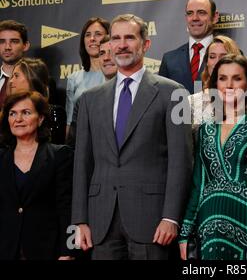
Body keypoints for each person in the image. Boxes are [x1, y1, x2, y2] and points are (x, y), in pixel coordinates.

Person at [71, 14, 192, 260]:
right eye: (116, 38)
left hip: (152, 220)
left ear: (145, 44)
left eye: (130, 37)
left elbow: (181, 162)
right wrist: (80, 219)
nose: (122, 44)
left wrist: (171, 217)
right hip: (101, 220)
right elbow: (82, 164)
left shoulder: (174, 93)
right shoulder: (89, 100)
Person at [178, 54, 247, 260]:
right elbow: (198, 184)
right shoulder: (205, 128)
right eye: (222, 78)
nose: (229, 85)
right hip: (207, 226)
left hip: (246, 222)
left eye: (237, 78)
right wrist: (185, 232)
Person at [0, 91, 74, 260]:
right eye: (13, 113)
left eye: (26, 113)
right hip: (5, 249)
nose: (18, 119)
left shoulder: (60, 155)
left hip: (47, 250)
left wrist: (69, 250)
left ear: (40, 118)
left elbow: (67, 209)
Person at [159, 0, 219, 94]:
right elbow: (162, 100)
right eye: (190, 13)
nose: (195, 18)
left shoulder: (229, 53)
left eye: (201, 13)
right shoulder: (169, 59)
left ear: (215, 17)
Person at [66, 35, 118, 148]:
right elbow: (75, 145)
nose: (106, 58)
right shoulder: (85, 99)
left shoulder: (136, 94)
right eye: (102, 53)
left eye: (112, 52)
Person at [65, 17, 110, 137]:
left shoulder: (115, 74)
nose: (92, 39)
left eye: (98, 34)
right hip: (81, 141)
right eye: (87, 35)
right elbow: (69, 122)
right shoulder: (74, 78)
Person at [189, 35, 241, 136]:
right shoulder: (191, 103)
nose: (216, 62)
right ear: (206, 62)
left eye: (223, 56)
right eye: (212, 57)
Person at [8, 58, 66, 144]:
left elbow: (53, 150)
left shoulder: (53, 112)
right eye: (12, 76)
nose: (11, 81)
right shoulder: (6, 111)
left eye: (16, 76)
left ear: (31, 78)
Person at [0, 20, 30, 108]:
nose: (7, 47)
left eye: (14, 41)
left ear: (25, 45)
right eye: (2, 42)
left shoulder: (38, 80)